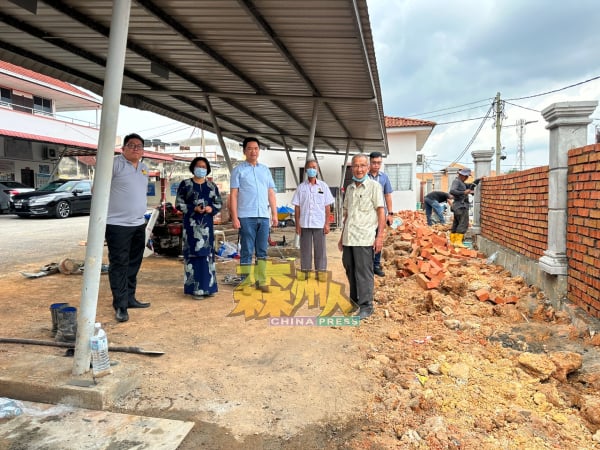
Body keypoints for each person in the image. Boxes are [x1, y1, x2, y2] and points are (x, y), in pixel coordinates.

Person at [105, 133, 151, 323]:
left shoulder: (144, 168)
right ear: (123, 148)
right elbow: (97, 188)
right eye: (131, 145)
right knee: (119, 264)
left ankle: (130, 298)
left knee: (134, 262)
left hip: (138, 224)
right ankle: (120, 304)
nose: (135, 149)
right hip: (117, 225)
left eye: (139, 146)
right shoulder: (114, 164)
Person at [338, 153, 385, 320]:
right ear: (351, 169)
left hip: (365, 237)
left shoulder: (374, 187)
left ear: (367, 167)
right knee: (350, 269)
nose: (359, 169)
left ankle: (367, 306)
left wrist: (379, 237)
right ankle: (355, 302)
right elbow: (347, 215)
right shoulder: (349, 189)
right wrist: (341, 236)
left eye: (362, 165)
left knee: (363, 272)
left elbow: (381, 212)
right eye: (356, 166)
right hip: (349, 237)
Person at [230, 137, 278, 292]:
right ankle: (245, 282)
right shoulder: (238, 170)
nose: (253, 151)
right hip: (245, 216)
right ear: (244, 151)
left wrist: (275, 215)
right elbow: (234, 195)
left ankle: (261, 281)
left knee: (262, 251)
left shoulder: (265, 170)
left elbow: (271, 193)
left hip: (263, 216)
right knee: (246, 250)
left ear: (259, 151)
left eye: (256, 148)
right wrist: (235, 217)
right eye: (250, 148)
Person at [176, 157, 223, 300]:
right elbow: (178, 203)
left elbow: (219, 203)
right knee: (193, 256)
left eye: (204, 166)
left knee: (207, 256)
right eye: (198, 166)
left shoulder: (211, 186)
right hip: (191, 227)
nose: (201, 168)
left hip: (206, 226)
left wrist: (211, 208)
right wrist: (193, 208)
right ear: (193, 168)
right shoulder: (185, 184)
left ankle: (208, 288)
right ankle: (195, 290)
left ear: (207, 169)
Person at [291, 158, 335, 280]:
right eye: (309, 167)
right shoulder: (301, 187)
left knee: (320, 251)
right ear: (306, 170)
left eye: (314, 167)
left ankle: (320, 273)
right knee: (305, 250)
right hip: (305, 224)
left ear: (318, 170)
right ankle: (305, 272)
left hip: (319, 224)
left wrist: (327, 223)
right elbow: (297, 207)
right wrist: (297, 225)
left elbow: (327, 207)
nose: (312, 170)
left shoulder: (323, 187)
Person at [368, 151, 394, 277]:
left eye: (379, 163)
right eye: (374, 163)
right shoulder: (364, 176)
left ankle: (376, 265)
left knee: (379, 238)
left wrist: (390, 213)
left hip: (380, 214)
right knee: (367, 239)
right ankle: (367, 264)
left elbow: (387, 195)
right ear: (370, 162)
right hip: (366, 214)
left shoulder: (384, 177)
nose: (376, 165)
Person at [449, 168, 476, 248]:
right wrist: (464, 192)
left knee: (456, 223)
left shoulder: (462, 183)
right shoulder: (457, 181)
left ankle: (453, 241)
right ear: (463, 176)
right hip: (461, 206)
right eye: (467, 176)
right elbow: (452, 191)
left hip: (458, 206)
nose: (467, 178)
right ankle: (458, 242)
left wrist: (478, 180)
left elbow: (470, 185)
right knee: (463, 223)